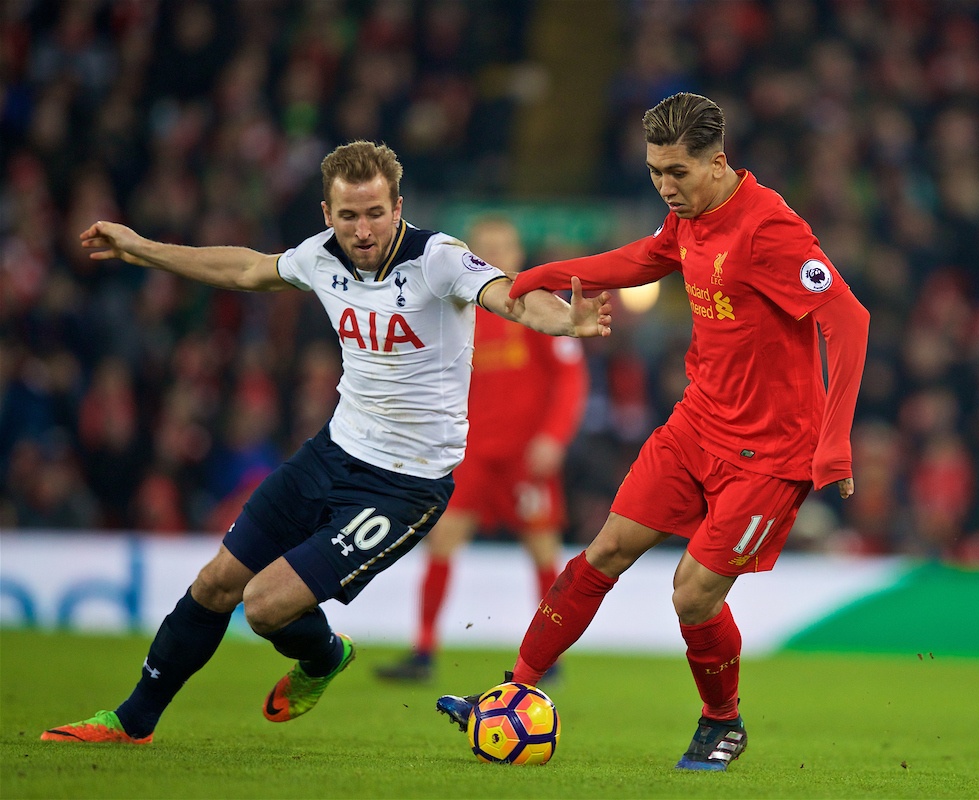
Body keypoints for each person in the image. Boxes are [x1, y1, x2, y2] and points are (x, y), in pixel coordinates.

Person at [41, 140, 612, 745]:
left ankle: (322, 656)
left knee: (263, 606)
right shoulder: (320, 257)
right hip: (332, 453)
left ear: (398, 207)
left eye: (374, 213)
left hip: (405, 484)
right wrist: (143, 249)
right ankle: (132, 723)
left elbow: (508, 296)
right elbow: (246, 269)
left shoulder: (440, 258)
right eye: (347, 216)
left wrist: (565, 319)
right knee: (215, 585)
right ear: (326, 213)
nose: (361, 230)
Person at [436, 92, 870, 770]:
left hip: (770, 453)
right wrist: (544, 276)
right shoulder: (689, 217)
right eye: (654, 172)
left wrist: (835, 441)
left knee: (692, 592)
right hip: (698, 424)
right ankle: (512, 690)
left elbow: (846, 319)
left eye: (678, 173)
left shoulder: (770, 228)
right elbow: (646, 257)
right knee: (604, 550)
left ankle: (721, 721)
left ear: (718, 164)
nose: (666, 187)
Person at [375, 216, 587, 682]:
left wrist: (552, 437)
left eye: (501, 248)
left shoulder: (537, 306)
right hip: (468, 453)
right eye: (484, 249)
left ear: (516, 256)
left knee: (542, 549)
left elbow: (570, 379)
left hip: (524, 455)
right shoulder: (453, 310)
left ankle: (546, 656)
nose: (492, 257)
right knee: (443, 540)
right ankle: (425, 651)